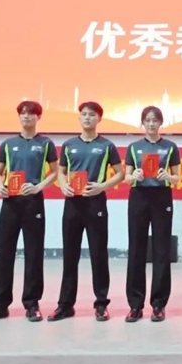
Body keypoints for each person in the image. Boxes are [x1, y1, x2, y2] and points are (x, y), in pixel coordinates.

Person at [0, 101, 59, 324]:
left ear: (38, 117)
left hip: (33, 202)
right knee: (5, 252)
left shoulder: (45, 144)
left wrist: (39, 186)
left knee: (34, 252)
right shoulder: (8, 144)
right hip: (10, 203)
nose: (26, 117)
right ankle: (0, 303)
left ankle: (32, 303)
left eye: (31, 114)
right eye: (23, 113)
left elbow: (55, 172)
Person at [48, 101, 124, 322]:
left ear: (99, 118)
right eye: (84, 114)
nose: (87, 118)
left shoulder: (107, 146)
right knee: (70, 255)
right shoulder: (69, 145)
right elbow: (61, 172)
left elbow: (120, 173)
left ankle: (101, 304)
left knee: (98, 254)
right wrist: (63, 185)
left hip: (95, 203)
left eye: (92, 114)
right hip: (72, 203)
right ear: (79, 118)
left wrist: (102, 186)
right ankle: (65, 305)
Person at [123, 106, 181, 323]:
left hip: (161, 198)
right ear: (142, 123)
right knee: (136, 249)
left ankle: (158, 304)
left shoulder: (170, 147)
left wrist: (168, 176)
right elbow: (126, 178)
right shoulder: (134, 147)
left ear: (160, 123)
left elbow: (177, 178)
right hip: (139, 196)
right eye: (147, 120)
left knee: (161, 250)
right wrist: (134, 176)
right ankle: (135, 305)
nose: (151, 124)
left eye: (155, 120)